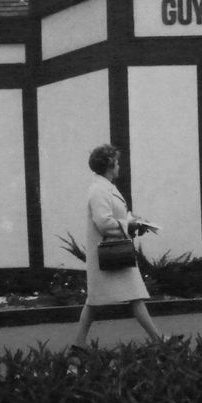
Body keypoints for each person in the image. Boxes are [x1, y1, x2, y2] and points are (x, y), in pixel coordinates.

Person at [68, 144, 164, 358]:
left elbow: (114, 217)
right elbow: (103, 222)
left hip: (113, 252)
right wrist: (129, 225)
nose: (119, 166)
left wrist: (135, 222)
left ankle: (78, 346)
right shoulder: (99, 190)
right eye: (117, 162)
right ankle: (159, 341)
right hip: (109, 253)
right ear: (110, 165)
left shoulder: (104, 187)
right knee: (107, 299)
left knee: (121, 297)